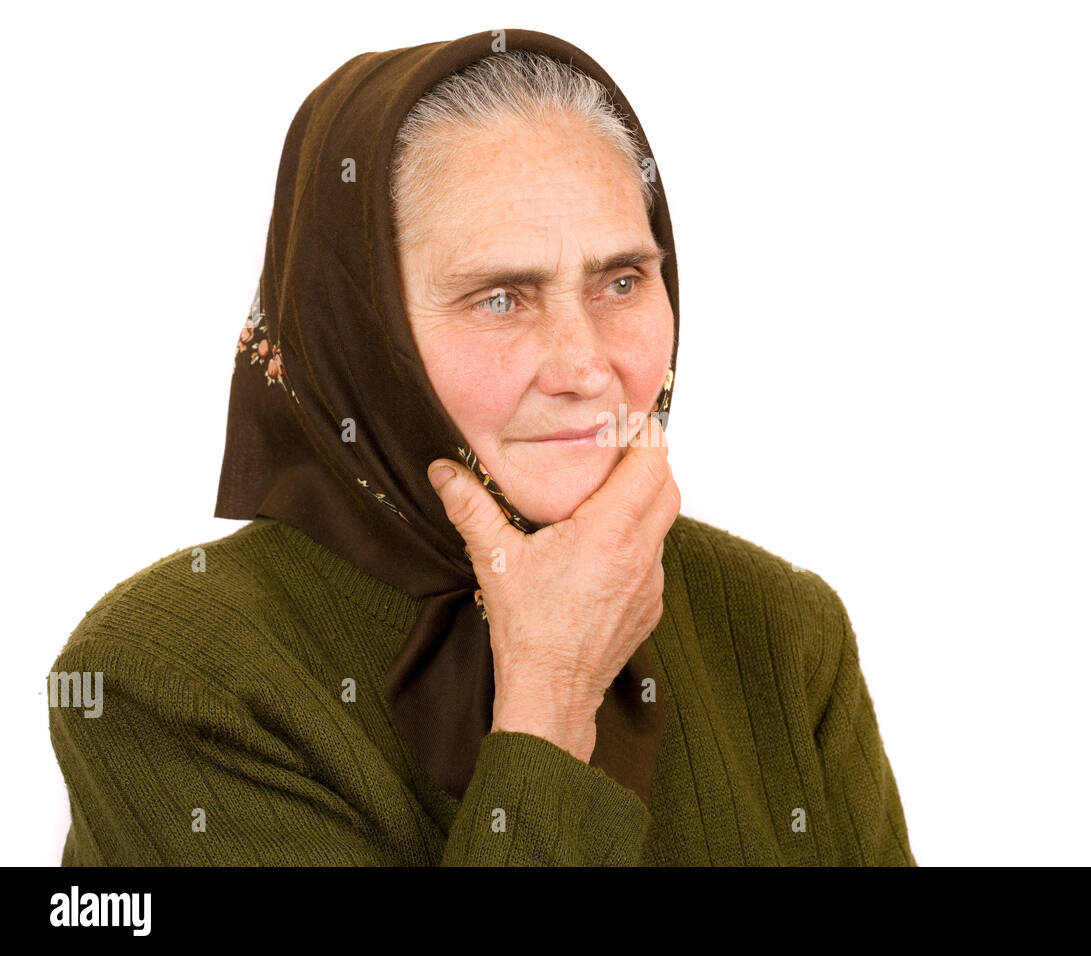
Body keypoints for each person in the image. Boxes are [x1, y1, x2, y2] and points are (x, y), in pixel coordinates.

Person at [47, 29, 917, 866]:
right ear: (362, 333)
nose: (586, 368)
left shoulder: (781, 625)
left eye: (622, 281)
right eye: (502, 297)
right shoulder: (168, 676)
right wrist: (551, 700)